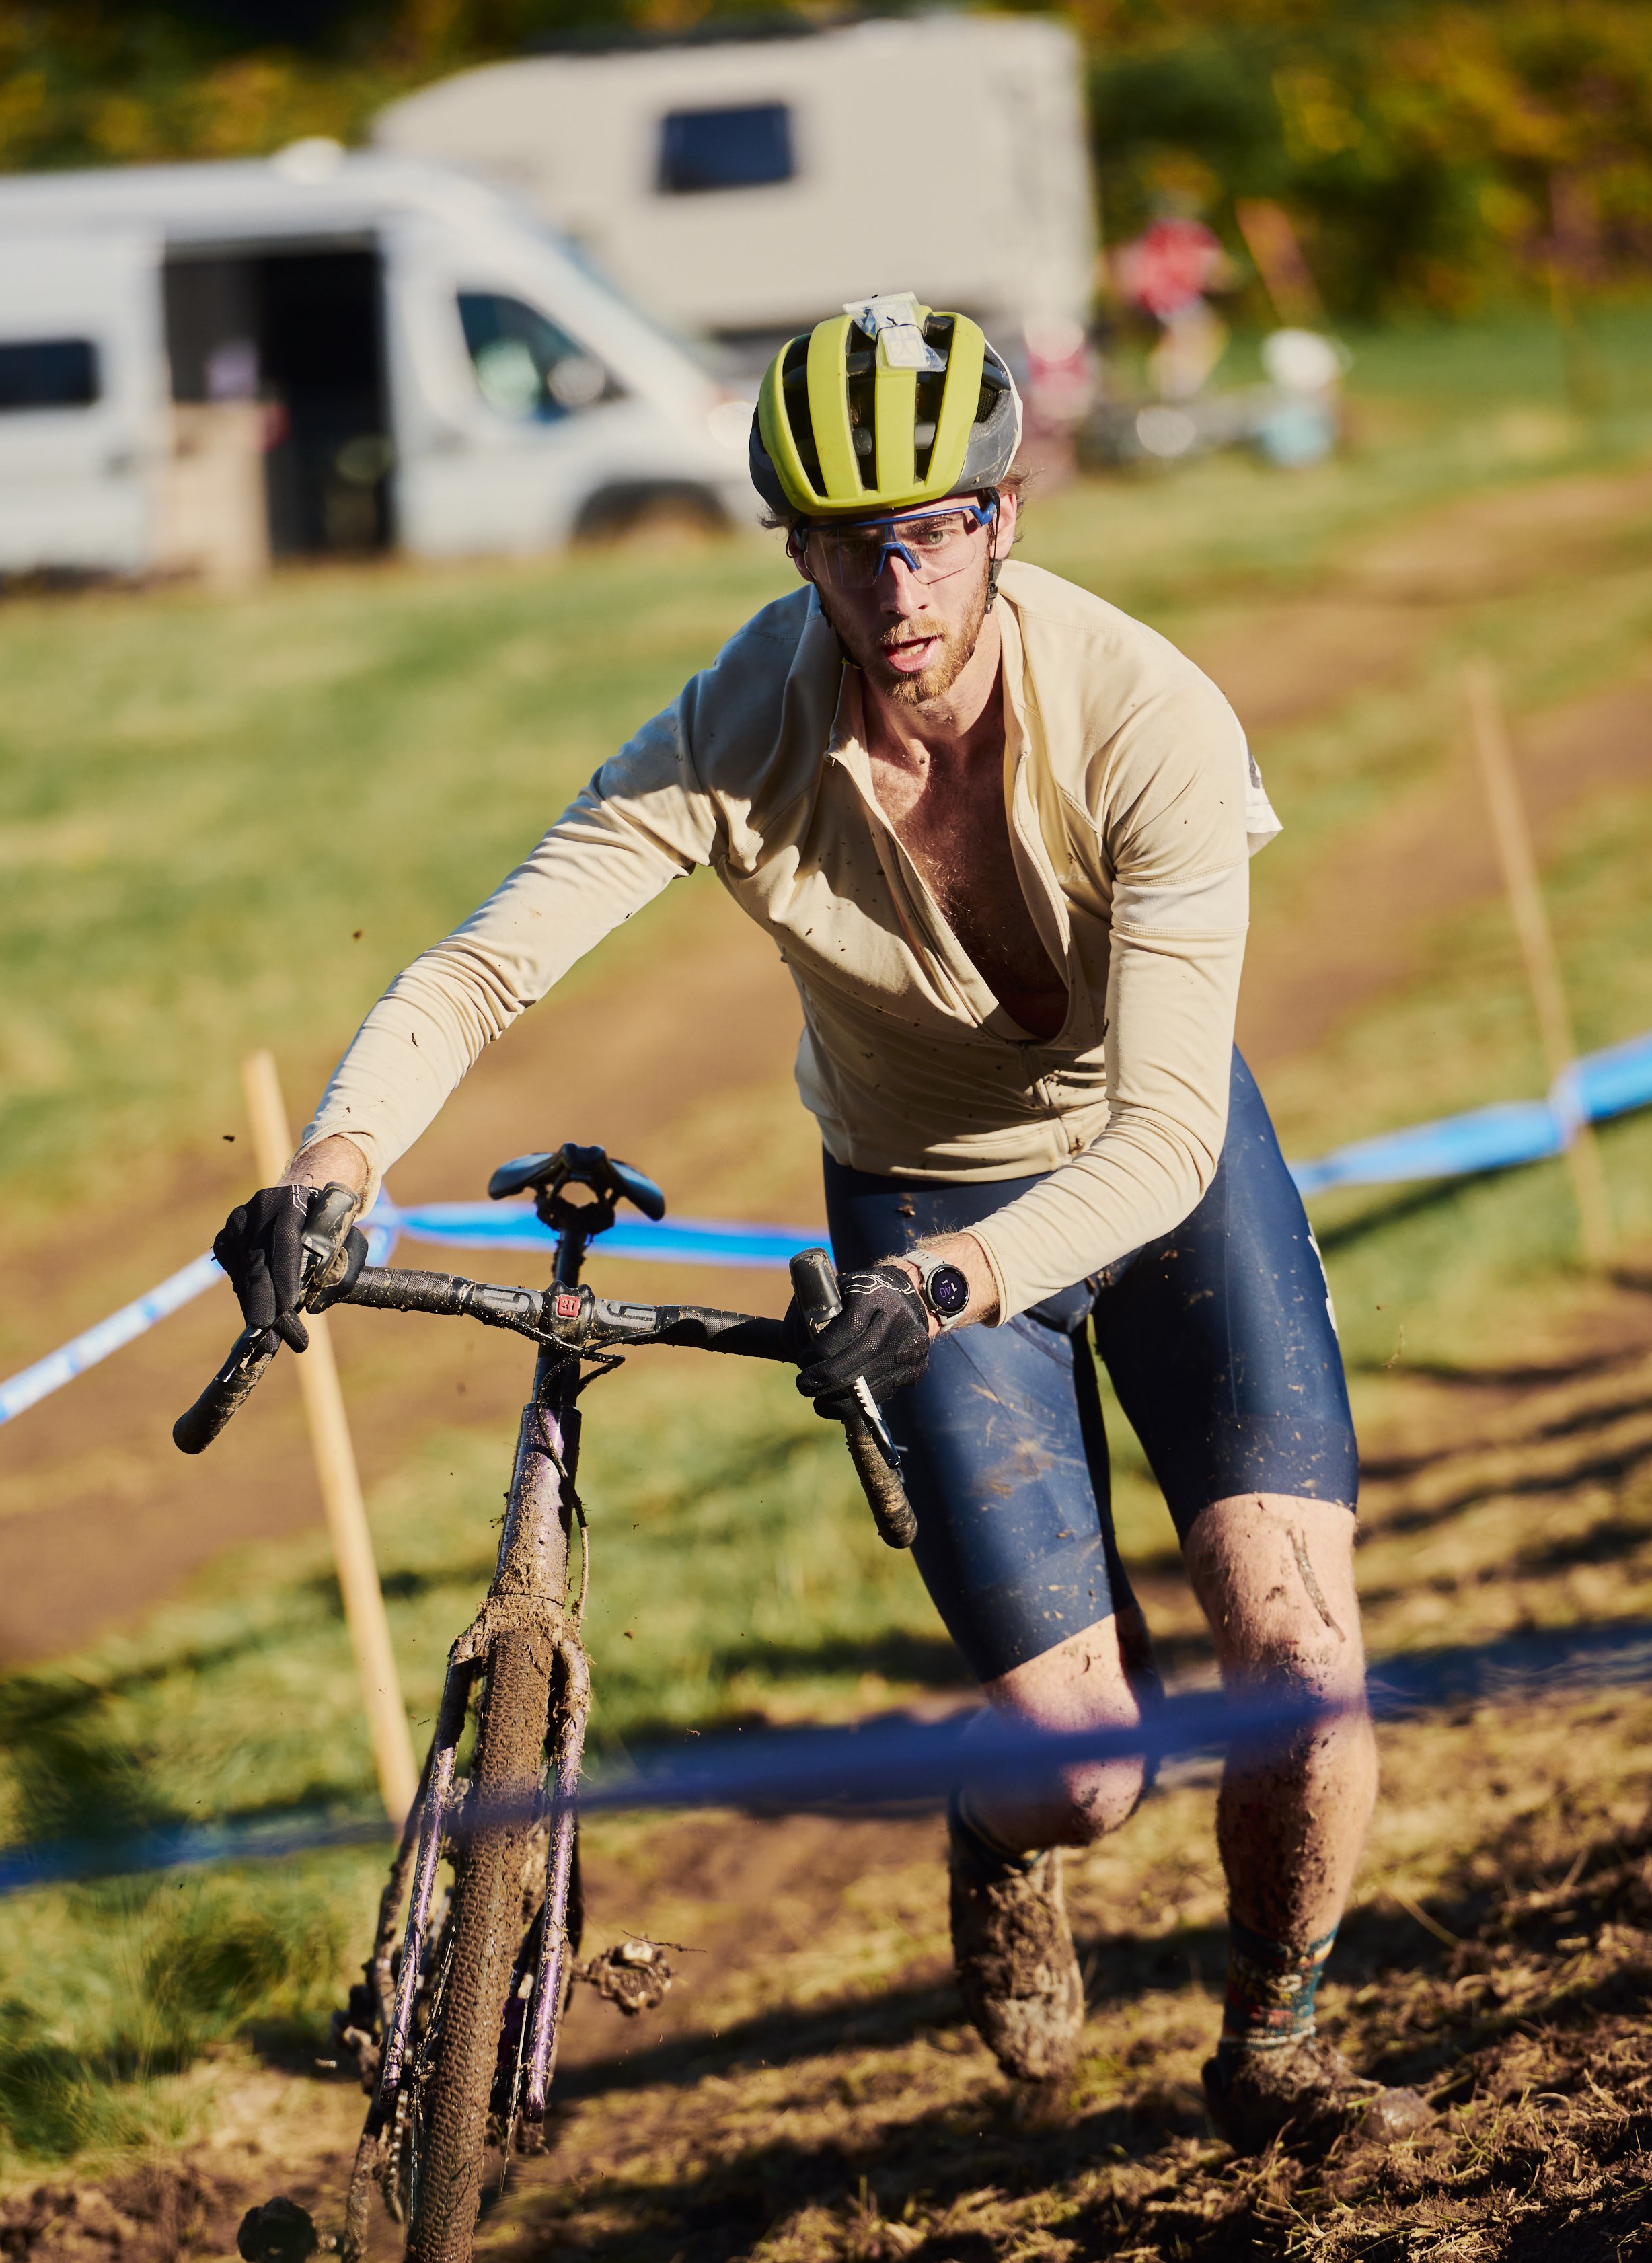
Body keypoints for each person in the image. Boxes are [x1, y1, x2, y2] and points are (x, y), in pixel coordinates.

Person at [213, 293, 1427, 2155]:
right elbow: (477, 970)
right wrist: (334, 1162)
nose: (894, 583)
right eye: (846, 544)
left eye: (928, 530)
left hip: (1153, 1179)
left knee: (1300, 1662)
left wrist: (949, 1282)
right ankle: (992, 1825)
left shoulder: (1149, 717)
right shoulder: (738, 727)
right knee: (1080, 1771)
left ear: (1000, 516)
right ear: (792, 551)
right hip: (921, 1193)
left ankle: (1273, 2044)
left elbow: (1171, 1132)